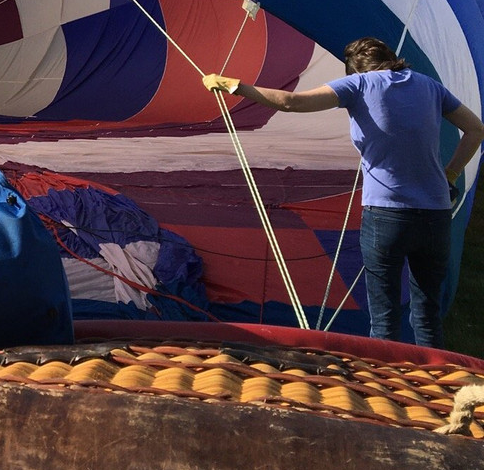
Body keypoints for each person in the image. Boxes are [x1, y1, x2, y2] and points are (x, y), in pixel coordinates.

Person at [203, 36, 484, 348]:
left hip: (387, 216)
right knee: (428, 312)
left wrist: (234, 86)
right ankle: (433, 386)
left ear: (354, 70)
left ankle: (382, 388)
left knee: (385, 317)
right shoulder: (430, 86)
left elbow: (292, 102)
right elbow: (476, 129)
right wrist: (451, 173)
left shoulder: (359, 84)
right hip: (436, 215)